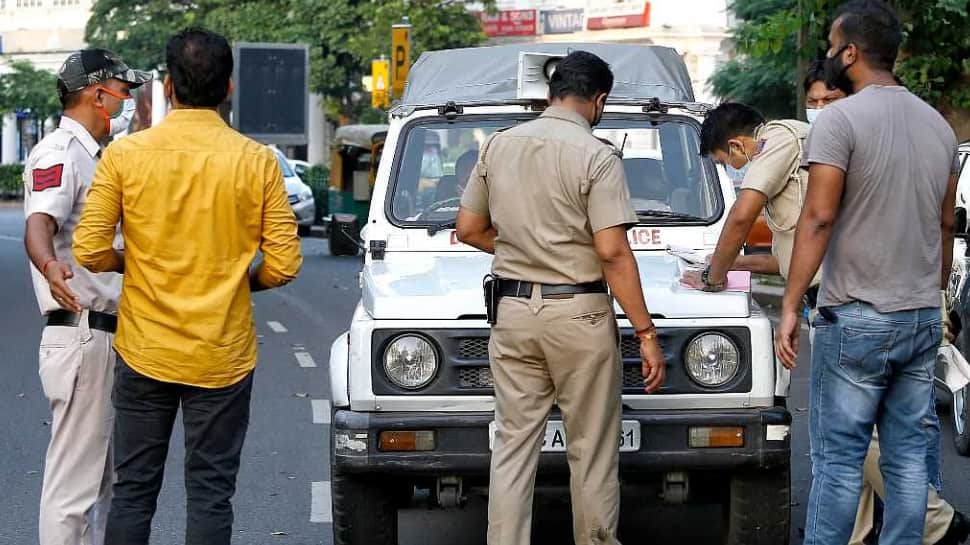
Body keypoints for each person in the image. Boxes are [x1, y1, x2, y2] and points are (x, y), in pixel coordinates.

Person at [73, 28, 302, 545]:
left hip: (144, 348)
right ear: (229, 88)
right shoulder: (257, 160)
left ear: (169, 86)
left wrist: (140, 264)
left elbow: (88, 251)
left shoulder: (125, 157)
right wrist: (233, 280)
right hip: (222, 354)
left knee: (133, 491)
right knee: (210, 493)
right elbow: (285, 265)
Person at [455, 50, 666, 545]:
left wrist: (521, 249)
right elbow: (612, 252)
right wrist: (646, 331)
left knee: (512, 446)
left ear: (550, 93)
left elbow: (468, 229)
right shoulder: (596, 155)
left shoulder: (498, 147)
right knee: (591, 450)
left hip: (511, 315)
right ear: (599, 100)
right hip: (579, 315)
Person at [775, 2, 961, 544]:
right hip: (921, 315)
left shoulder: (837, 120)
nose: (829, 56)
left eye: (833, 47)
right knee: (907, 460)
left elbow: (818, 216)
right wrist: (937, 302)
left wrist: (789, 306)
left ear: (850, 52)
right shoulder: (938, 126)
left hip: (857, 315)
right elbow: (944, 226)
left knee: (838, 461)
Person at [22, 48, 150, 545]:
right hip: (81, 334)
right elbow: (39, 223)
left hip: (105, 338)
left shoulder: (98, 156)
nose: (127, 102)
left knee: (103, 486)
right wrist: (50, 265)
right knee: (73, 488)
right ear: (99, 95)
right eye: (123, 92)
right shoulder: (59, 152)